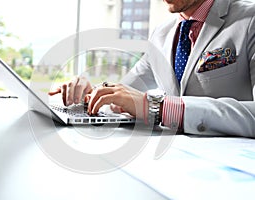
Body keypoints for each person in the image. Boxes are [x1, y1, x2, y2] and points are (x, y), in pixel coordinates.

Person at [50, 0, 255, 137]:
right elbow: (124, 93)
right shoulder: (161, 34)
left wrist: (160, 108)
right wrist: (91, 92)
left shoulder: (250, 19)